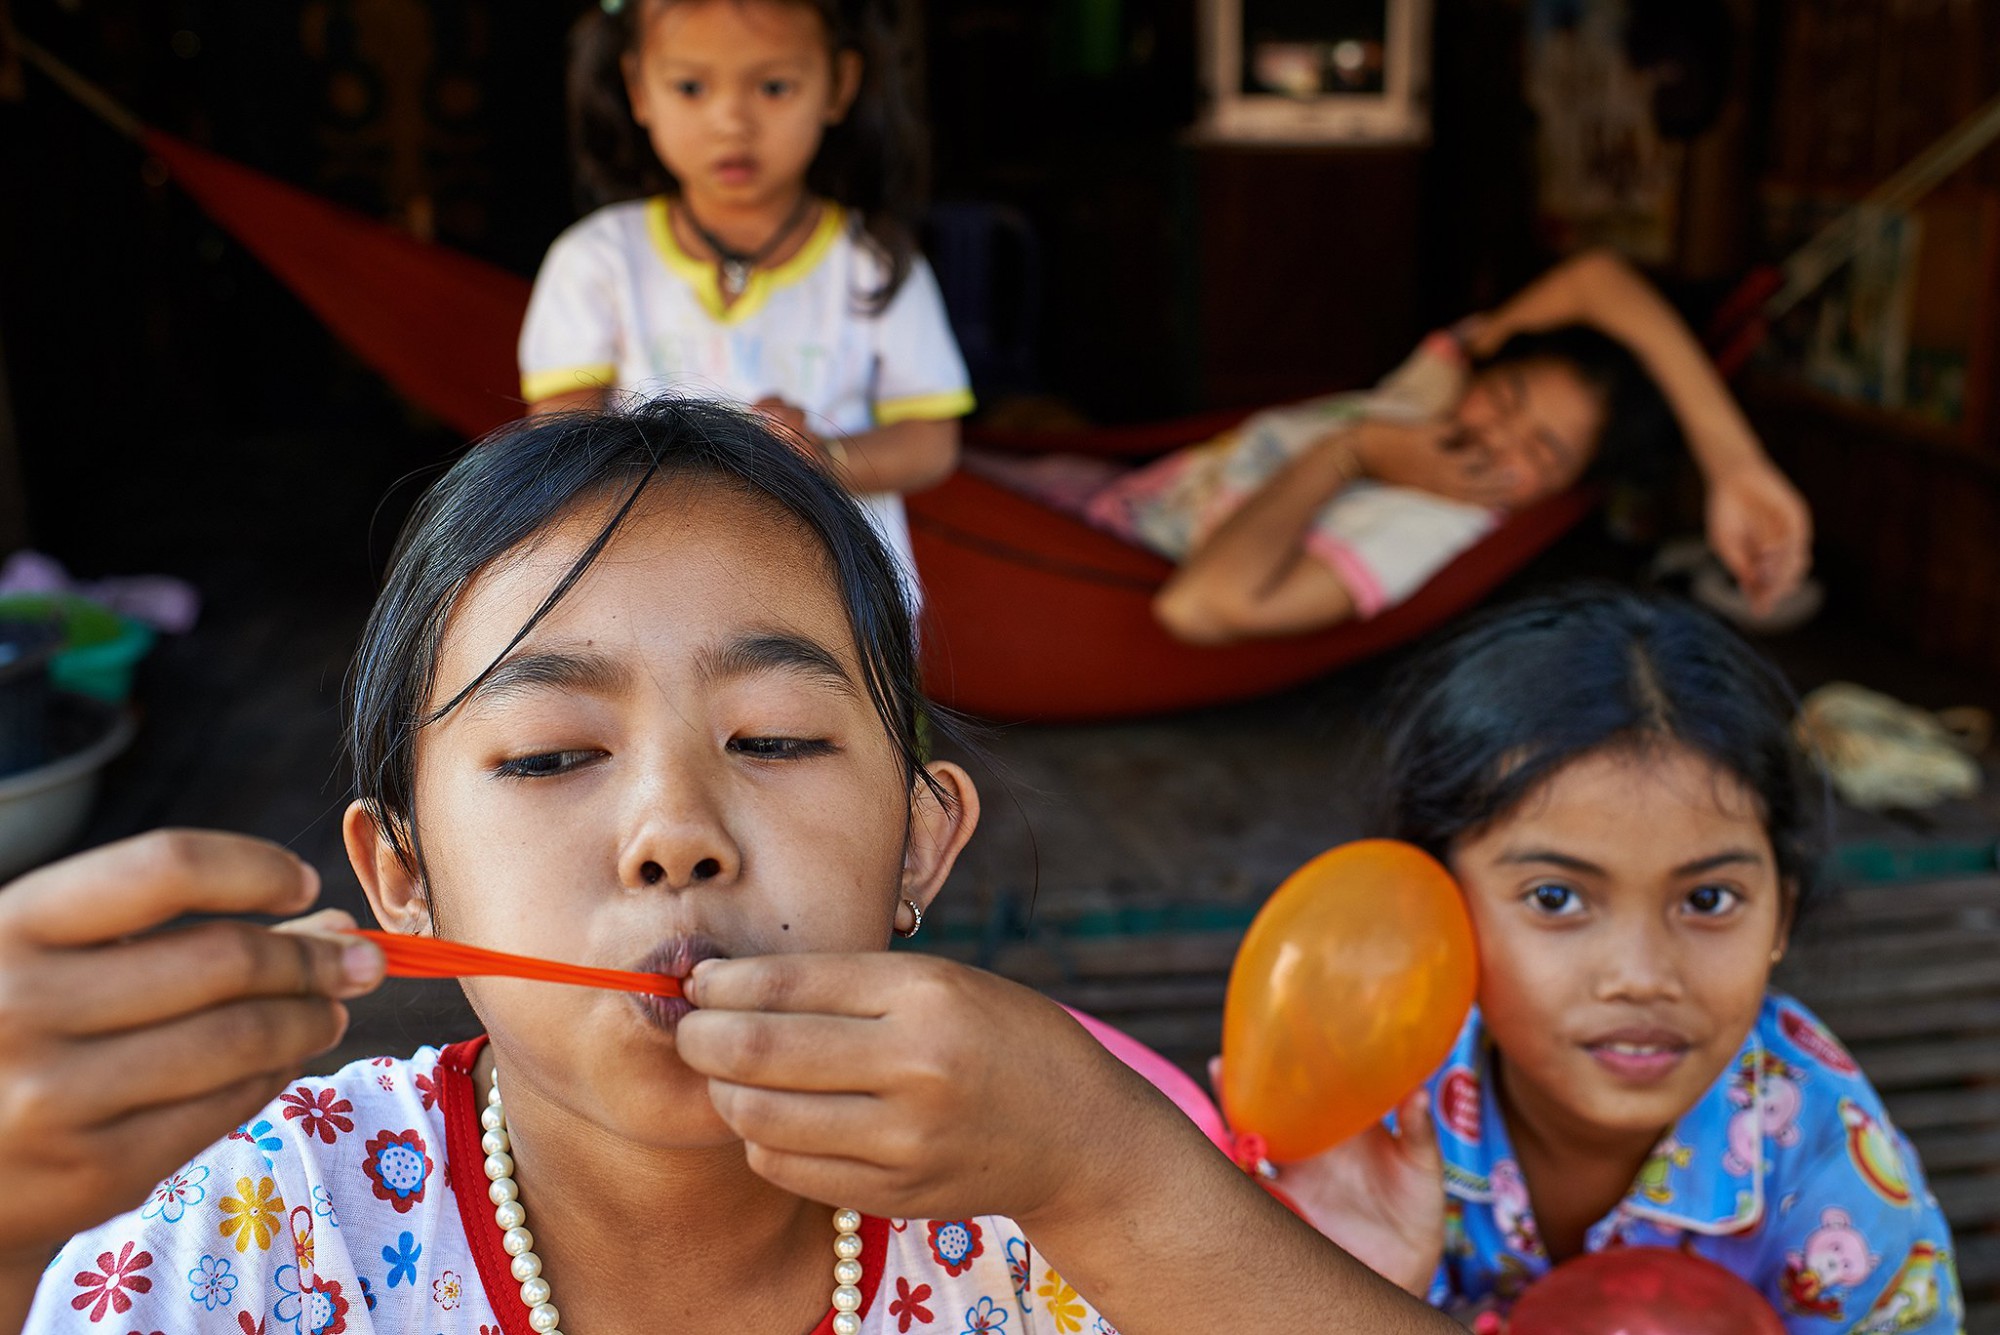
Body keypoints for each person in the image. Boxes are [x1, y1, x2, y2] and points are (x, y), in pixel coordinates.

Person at [0, 401, 1456, 1335]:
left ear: (922, 843)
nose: (673, 827)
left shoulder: (1064, 1209)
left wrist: (1115, 1175)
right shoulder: (265, 1227)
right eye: (550, 754)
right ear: (403, 878)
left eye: (772, 735)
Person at [1275, 587, 1962, 1330]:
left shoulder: (1833, 1172)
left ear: (1780, 915)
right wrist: (1352, 1298)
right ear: (1436, 909)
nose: (1640, 975)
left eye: (1707, 900)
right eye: (1555, 898)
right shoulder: (1359, 1108)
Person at [1093, 251, 1812, 644]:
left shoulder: (1432, 525)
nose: (1497, 433)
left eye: (1543, 449)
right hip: (1098, 489)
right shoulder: (1439, 383)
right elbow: (1598, 281)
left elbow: (1196, 608)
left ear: (1559, 495)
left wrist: (1356, 453)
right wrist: (1735, 464)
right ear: (1487, 366)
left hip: (1101, 559)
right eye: (1506, 397)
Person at [518, 0, 970, 595]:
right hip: (653, 593)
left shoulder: (874, 264)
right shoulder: (598, 261)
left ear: (840, 84)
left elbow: (932, 443)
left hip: (838, 602)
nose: (731, 120)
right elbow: (561, 432)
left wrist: (822, 459)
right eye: (691, 87)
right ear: (638, 88)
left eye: (775, 86)